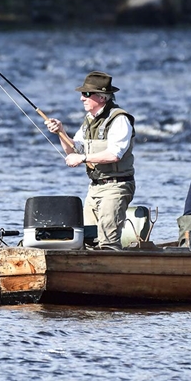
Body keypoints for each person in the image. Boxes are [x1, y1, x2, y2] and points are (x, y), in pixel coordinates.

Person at [44, 71, 135, 249]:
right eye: (82, 94)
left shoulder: (120, 120)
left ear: (102, 97)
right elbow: (73, 149)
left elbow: (115, 155)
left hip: (116, 187)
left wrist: (83, 158)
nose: (81, 98)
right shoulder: (89, 120)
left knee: (108, 242)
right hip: (94, 188)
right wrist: (60, 132)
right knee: (87, 239)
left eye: (86, 94)